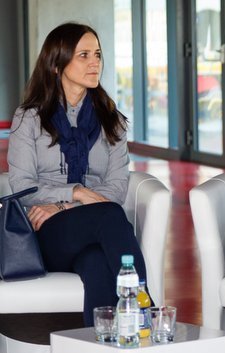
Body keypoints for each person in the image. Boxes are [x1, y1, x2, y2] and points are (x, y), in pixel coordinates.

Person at [7, 22, 148, 326]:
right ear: (57, 64)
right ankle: (145, 312)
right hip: (45, 233)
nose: (94, 62)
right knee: (110, 214)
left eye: (97, 54)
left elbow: (117, 186)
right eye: (83, 55)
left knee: (97, 264)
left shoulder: (113, 122)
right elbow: (22, 186)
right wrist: (76, 192)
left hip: (91, 225)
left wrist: (67, 205)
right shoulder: (29, 118)